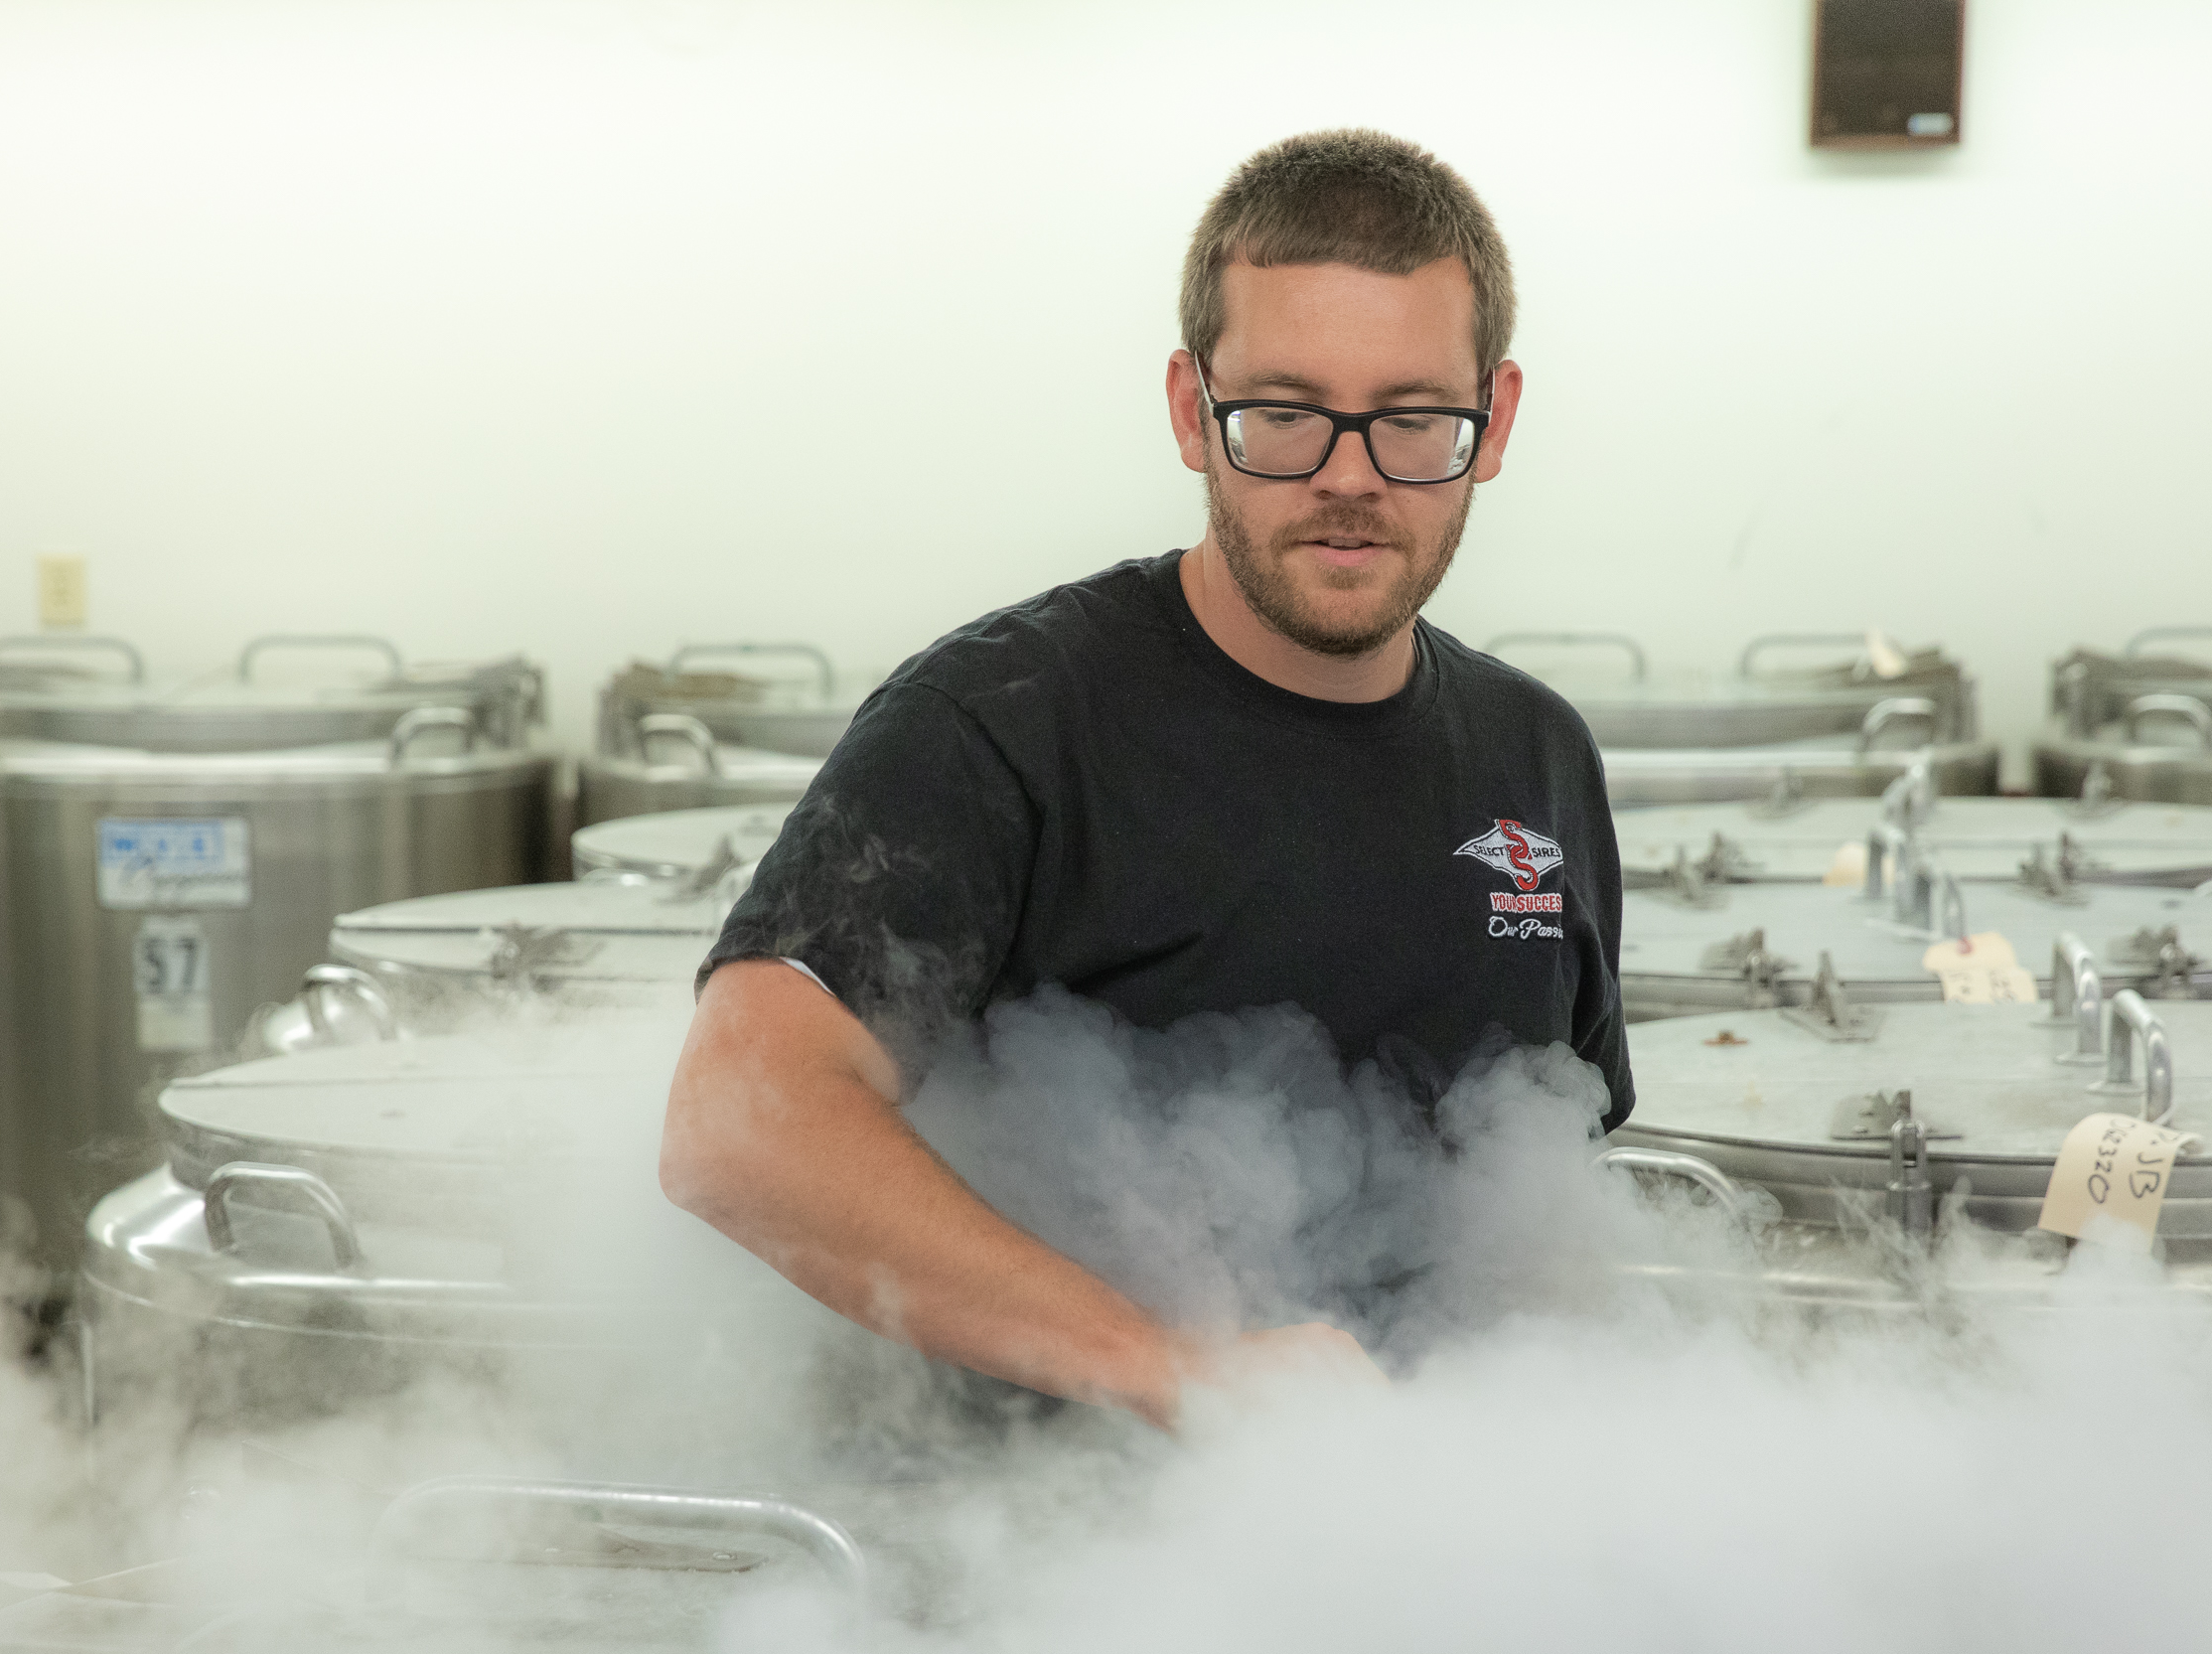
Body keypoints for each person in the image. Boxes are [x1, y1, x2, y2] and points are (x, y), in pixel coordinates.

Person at [660, 127, 1628, 1430]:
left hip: (1430, 1543)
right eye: (1283, 414)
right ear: (1190, 410)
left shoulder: (1538, 756)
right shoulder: (1001, 723)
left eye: (1412, 419)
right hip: (1048, 1577)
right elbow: (737, 1126)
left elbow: (1549, 1187)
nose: (1349, 476)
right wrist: (1184, 1375)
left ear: (1494, 421)